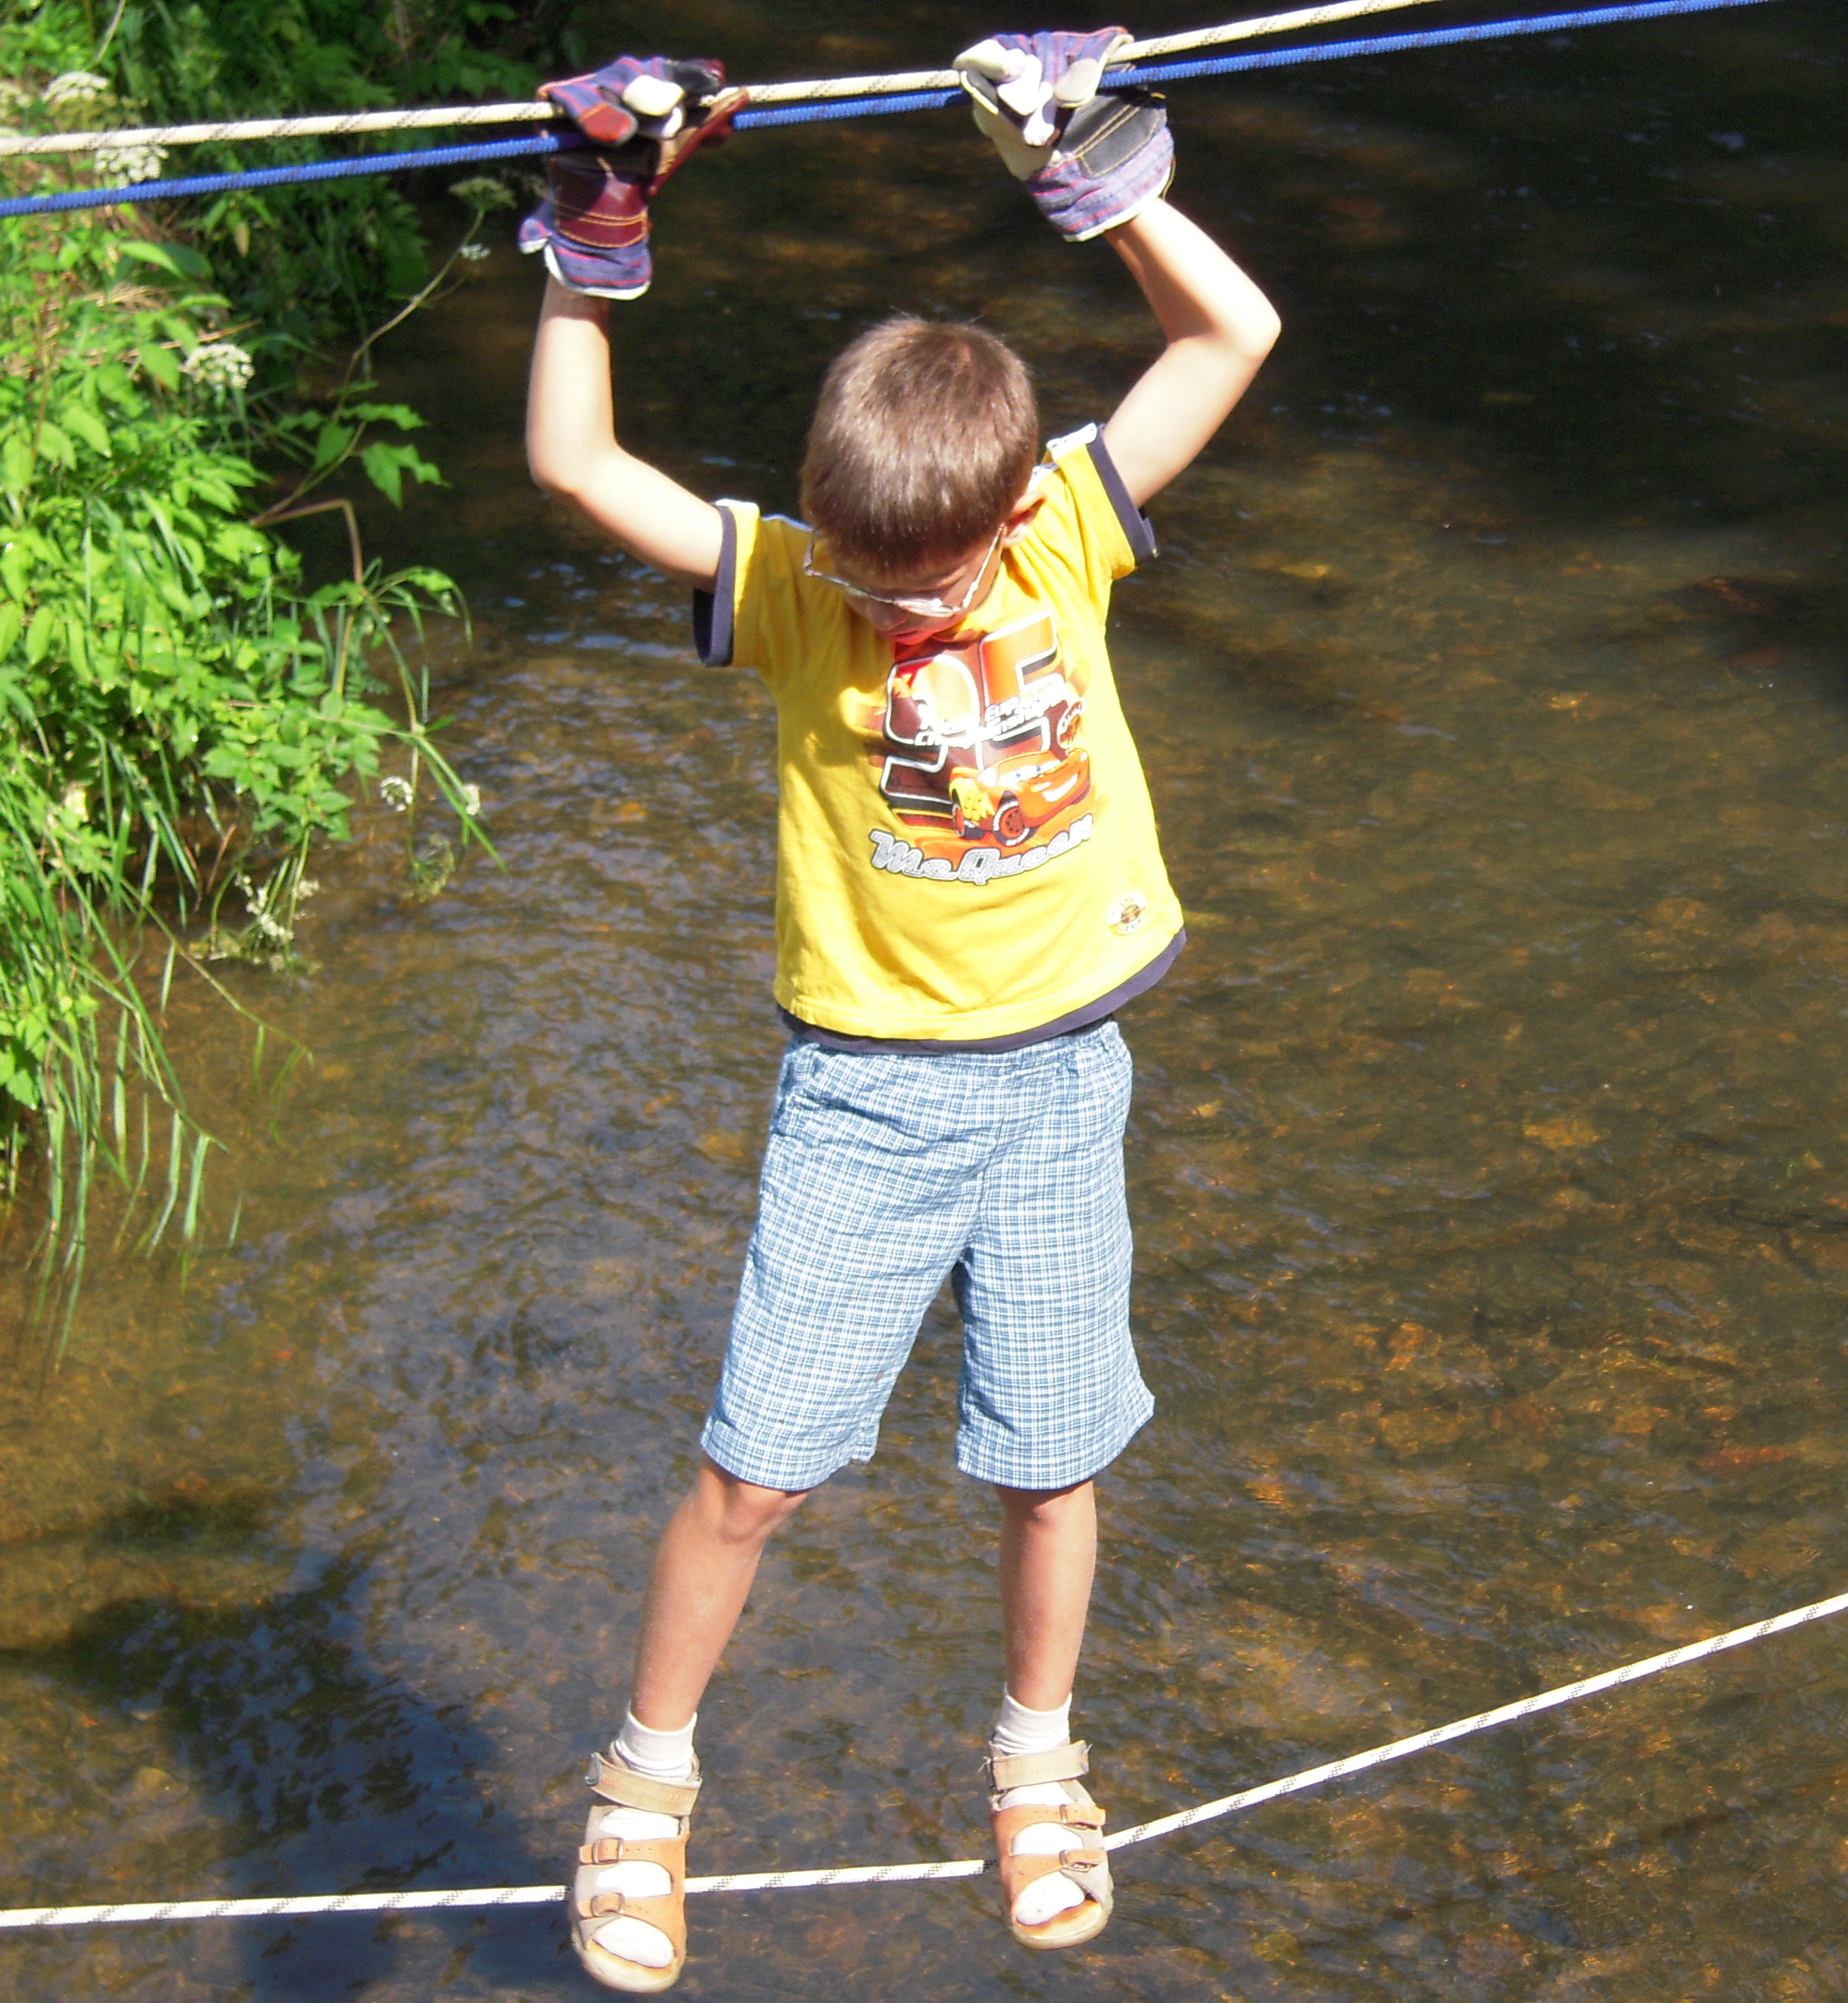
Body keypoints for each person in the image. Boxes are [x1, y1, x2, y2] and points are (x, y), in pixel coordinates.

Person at [516, 35, 1279, 1993]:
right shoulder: (792, 588)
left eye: (925, 586)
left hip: (1061, 1086)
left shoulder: (1068, 527)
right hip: (864, 1101)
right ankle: (642, 1791)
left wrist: (1091, 172)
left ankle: (1038, 1763)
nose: (896, 612)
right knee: (754, 1471)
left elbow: (1232, 335)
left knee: (1053, 1459)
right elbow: (576, 466)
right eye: (871, 580)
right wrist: (598, 234)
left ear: (1007, 513)